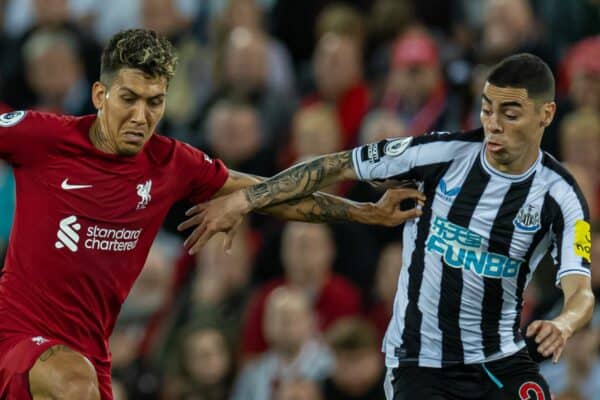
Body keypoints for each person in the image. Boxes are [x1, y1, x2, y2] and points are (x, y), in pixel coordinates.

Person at [0, 28, 425, 400]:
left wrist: (365, 212)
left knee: (79, 380)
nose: (140, 117)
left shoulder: (171, 163)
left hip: (90, 351)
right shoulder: (44, 137)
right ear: (99, 95)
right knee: (73, 384)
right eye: (128, 98)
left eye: (154, 102)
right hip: (18, 334)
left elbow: (268, 194)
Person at [185, 53, 594, 399]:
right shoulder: (440, 154)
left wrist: (564, 322)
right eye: (487, 108)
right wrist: (245, 199)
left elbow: (581, 292)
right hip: (421, 362)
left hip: (498, 361)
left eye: (511, 113)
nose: (494, 124)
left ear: (546, 114)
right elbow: (336, 164)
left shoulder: (563, 197)